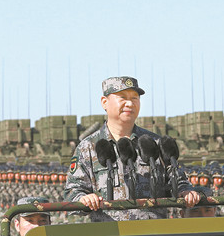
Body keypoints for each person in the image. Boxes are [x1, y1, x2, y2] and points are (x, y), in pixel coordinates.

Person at [64, 76, 200, 221]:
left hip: (151, 232)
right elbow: (72, 192)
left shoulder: (155, 143)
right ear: (104, 102)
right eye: (122, 97)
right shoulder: (88, 147)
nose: (130, 103)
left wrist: (185, 191)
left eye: (135, 98)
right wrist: (84, 199)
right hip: (109, 233)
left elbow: (178, 181)